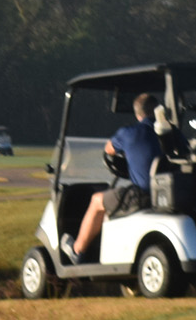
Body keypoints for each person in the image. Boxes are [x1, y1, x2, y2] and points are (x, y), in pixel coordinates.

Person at [63, 94, 162, 264]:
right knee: (113, 197)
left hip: (142, 195)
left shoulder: (129, 133)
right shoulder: (172, 132)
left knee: (97, 201)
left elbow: (109, 149)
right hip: (166, 194)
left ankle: (77, 250)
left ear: (137, 114)